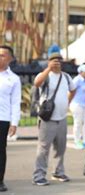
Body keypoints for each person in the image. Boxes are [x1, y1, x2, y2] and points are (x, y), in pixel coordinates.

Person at [32, 46, 75, 186]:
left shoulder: (66, 77)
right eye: (54, 60)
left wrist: (67, 102)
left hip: (61, 117)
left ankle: (58, 172)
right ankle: (39, 175)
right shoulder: (45, 75)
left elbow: (73, 90)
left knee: (61, 148)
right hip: (47, 119)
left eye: (59, 60)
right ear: (49, 62)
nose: (57, 63)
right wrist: (48, 69)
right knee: (44, 148)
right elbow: (37, 83)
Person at [0, 45, 21, 192]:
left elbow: (15, 102)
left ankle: (0, 181)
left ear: (10, 59)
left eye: (2, 55)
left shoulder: (13, 79)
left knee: (1, 151)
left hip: (3, 118)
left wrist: (14, 123)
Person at [71, 64, 85, 149]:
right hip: (77, 104)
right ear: (80, 72)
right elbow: (71, 90)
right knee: (78, 123)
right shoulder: (76, 80)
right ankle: (77, 140)